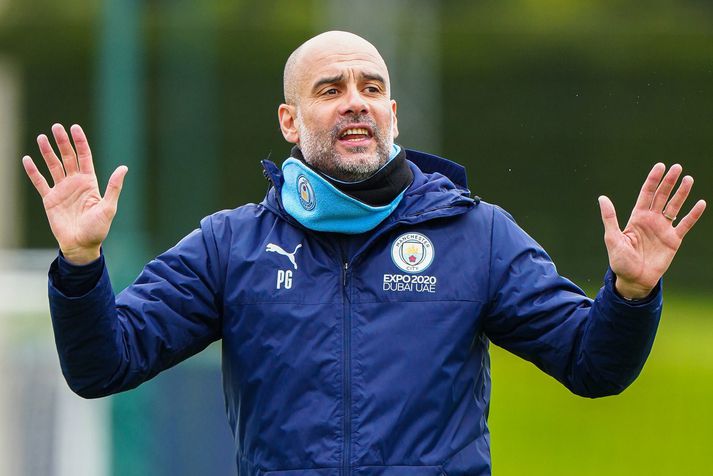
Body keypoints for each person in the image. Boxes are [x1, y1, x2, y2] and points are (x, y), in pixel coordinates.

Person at [22, 31, 706, 476]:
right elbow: (102, 366)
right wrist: (81, 267)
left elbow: (593, 365)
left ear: (393, 113)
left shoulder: (478, 235)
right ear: (290, 121)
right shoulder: (232, 245)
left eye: (371, 88)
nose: (356, 103)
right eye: (330, 90)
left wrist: (630, 296)